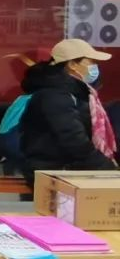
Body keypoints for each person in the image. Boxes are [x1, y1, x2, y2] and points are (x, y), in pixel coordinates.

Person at [19, 39, 117, 182]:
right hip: (53, 174)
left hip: (66, 171)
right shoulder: (54, 94)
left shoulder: (78, 92)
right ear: (72, 64)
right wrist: (104, 166)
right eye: (91, 62)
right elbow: (72, 137)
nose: (95, 67)